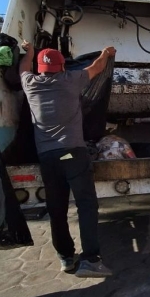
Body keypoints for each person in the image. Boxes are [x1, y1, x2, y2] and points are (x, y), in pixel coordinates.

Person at [19, 40, 115, 278]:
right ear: (63, 67)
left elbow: (23, 67)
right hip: (73, 153)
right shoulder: (71, 80)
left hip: (47, 158)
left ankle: (66, 258)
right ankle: (91, 260)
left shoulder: (30, 83)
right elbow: (97, 67)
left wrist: (29, 51)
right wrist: (106, 52)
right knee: (86, 205)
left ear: (40, 68)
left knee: (57, 209)